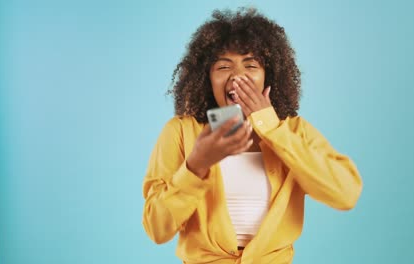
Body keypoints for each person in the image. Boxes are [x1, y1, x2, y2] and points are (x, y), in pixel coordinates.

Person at [142, 7, 363, 264]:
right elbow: (156, 229)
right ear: (207, 78)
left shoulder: (293, 131)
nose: (238, 76)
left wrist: (270, 127)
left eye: (251, 65)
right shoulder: (180, 131)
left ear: (269, 76)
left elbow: (345, 193)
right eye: (223, 66)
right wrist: (196, 165)